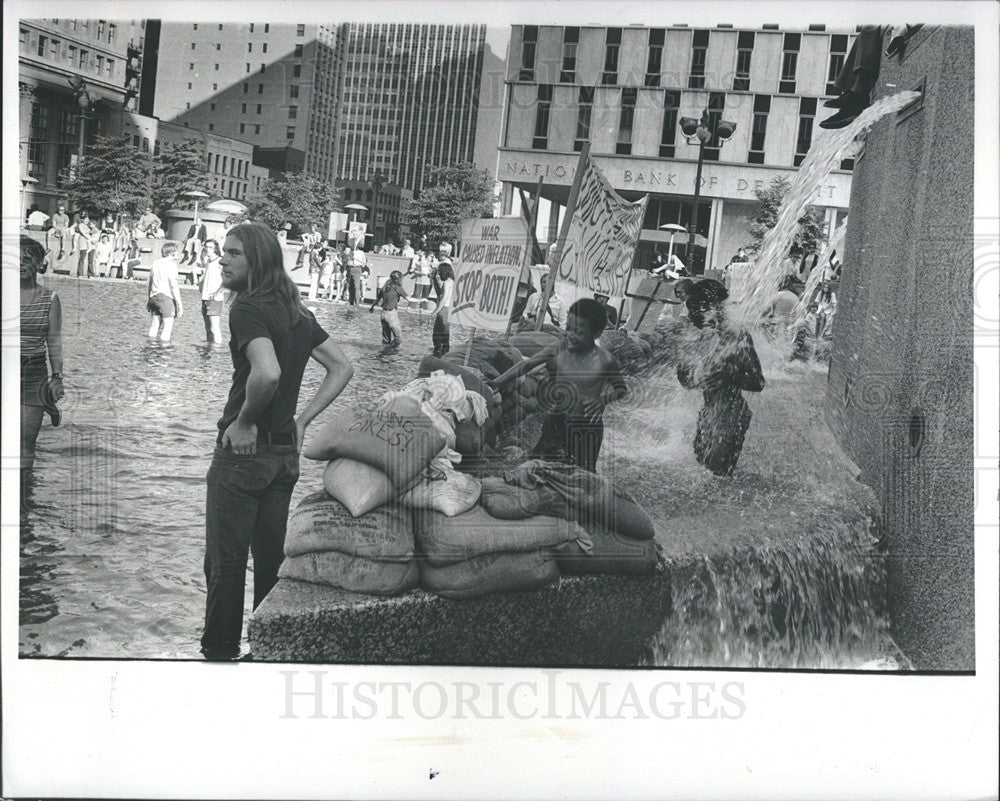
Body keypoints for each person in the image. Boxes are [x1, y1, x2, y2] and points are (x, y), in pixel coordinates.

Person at [201, 223, 354, 661]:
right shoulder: (297, 313)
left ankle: (219, 652)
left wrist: (245, 421)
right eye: (222, 252)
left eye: (232, 253)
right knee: (270, 560)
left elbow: (267, 372)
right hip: (284, 454)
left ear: (257, 261)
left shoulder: (247, 308)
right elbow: (342, 367)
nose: (222, 259)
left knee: (225, 563)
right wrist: (303, 420)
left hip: (243, 456)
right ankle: (268, 647)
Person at [491, 298, 627, 473]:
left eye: (578, 332)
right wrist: (499, 381)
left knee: (582, 475)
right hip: (558, 418)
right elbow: (527, 364)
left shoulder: (604, 360)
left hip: (587, 428)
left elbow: (620, 389)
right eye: (568, 328)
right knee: (537, 466)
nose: (570, 334)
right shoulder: (559, 348)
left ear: (595, 334)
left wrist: (602, 401)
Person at [676, 279, 764, 477]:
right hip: (708, 413)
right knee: (702, 469)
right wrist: (687, 371)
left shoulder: (736, 336)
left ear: (710, 307)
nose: (690, 316)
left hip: (730, 417)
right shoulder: (703, 336)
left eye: (693, 309)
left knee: (718, 478)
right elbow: (686, 381)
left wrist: (726, 377)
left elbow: (758, 382)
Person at [20, 236, 65, 481]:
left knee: (25, 446)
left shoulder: (50, 298)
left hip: (33, 371)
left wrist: (57, 377)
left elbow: (54, 339)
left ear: (39, 264)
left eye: (28, 259)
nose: (21, 264)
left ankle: (24, 502)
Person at [146, 242, 184, 342]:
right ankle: (163, 354)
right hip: (166, 297)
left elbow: (150, 283)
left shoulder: (155, 263)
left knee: (154, 326)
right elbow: (173, 286)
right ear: (172, 253)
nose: (179, 254)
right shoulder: (172, 265)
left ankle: (151, 348)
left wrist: (149, 299)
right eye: (177, 252)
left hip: (154, 297)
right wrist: (179, 303)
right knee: (167, 329)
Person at [370, 269, 408, 349]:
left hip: (383, 314)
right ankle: (391, 352)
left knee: (386, 339)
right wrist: (422, 300)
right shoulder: (398, 288)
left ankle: (384, 354)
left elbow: (377, 299)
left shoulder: (385, 287)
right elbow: (409, 299)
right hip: (391, 315)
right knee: (399, 339)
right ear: (399, 279)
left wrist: (372, 307)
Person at [199, 240, 227, 346]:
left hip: (215, 299)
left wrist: (217, 292)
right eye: (206, 247)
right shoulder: (208, 262)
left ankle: (217, 349)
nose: (207, 249)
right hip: (205, 297)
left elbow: (227, 280)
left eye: (210, 247)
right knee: (208, 328)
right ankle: (209, 348)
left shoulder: (220, 262)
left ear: (215, 249)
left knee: (214, 327)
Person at [431, 261, 455, 357]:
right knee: (444, 333)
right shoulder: (451, 281)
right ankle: (444, 353)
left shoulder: (447, 282)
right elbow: (439, 294)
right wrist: (433, 278)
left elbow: (444, 299)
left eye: (439, 272)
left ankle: (438, 354)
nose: (438, 274)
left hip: (444, 308)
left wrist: (435, 311)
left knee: (437, 335)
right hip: (448, 309)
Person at [73, 211, 97, 278]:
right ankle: (80, 274)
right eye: (85, 219)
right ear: (82, 220)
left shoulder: (90, 226)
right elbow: (84, 233)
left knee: (90, 259)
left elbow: (96, 231)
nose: (86, 221)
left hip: (91, 244)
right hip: (83, 243)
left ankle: (90, 274)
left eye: (87, 219)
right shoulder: (81, 225)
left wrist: (93, 228)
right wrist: (91, 238)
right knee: (82, 258)